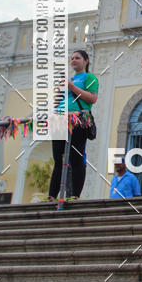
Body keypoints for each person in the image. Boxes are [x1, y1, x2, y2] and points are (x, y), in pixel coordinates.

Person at [48, 49, 98, 200]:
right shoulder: (68, 79)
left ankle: (75, 195)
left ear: (86, 61)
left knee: (76, 157)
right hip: (60, 120)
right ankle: (51, 195)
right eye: (72, 58)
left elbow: (92, 98)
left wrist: (72, 87)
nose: (73, 60)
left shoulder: (90, 77)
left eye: (77, 58)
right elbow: (58, 102)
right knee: (58, 158)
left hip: (78, 120)